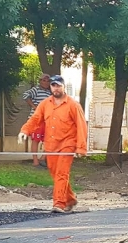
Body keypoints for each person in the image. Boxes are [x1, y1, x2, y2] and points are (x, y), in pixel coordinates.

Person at [18, 75, 87, 213]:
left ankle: (59, 204)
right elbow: (35, 118)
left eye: (58, 85)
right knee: (56, 173)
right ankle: (70, 198)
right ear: (50, 87)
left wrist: (81, 147)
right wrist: (24, 130)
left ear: (63, 87)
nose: (56, 88)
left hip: (67, 143)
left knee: (62, 173)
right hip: (51, 145)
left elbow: (81, 125)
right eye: (53, 85)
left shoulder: (73, 105)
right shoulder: (45, 104)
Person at [22, 73, 52, 168]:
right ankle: (35, 162)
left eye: (48, 81)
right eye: (44, 80)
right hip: (36, 119)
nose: (46, 82)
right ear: (40, 81)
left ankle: (43, 158)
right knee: (35, 140)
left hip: (47, 119)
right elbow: (25, 95)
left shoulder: (49, 92)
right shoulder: (36, 90)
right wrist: (34, 106)